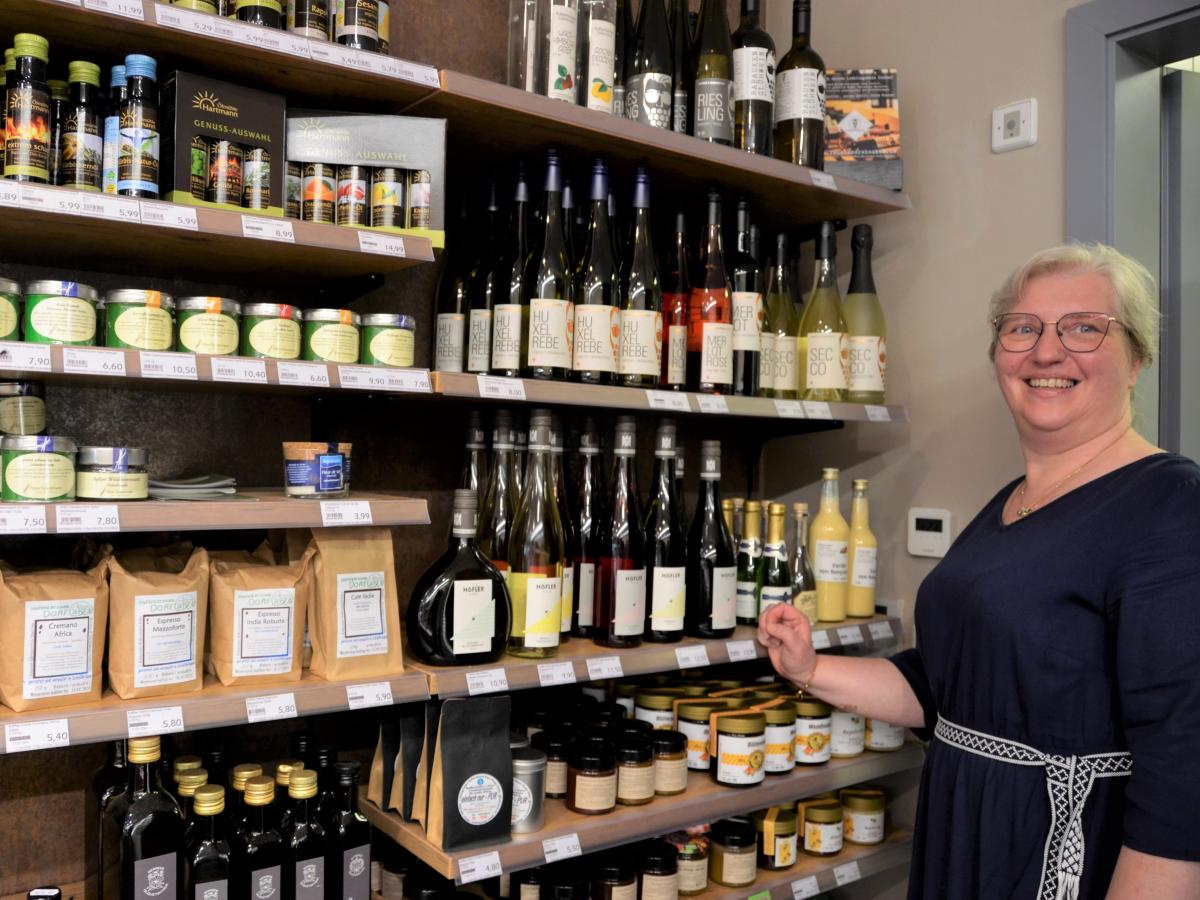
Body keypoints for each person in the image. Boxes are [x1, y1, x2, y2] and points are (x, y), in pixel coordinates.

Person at [757, 244, 1200, 899]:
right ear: (999, 357)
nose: (1047, 352)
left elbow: (1183, 765)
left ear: (1137, 358)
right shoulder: (1013, 502)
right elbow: (946, 689)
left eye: (1083, 327)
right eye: (1022, 329)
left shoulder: (1169, 504)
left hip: (1056, 852)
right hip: (966, 836)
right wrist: (810, 669)